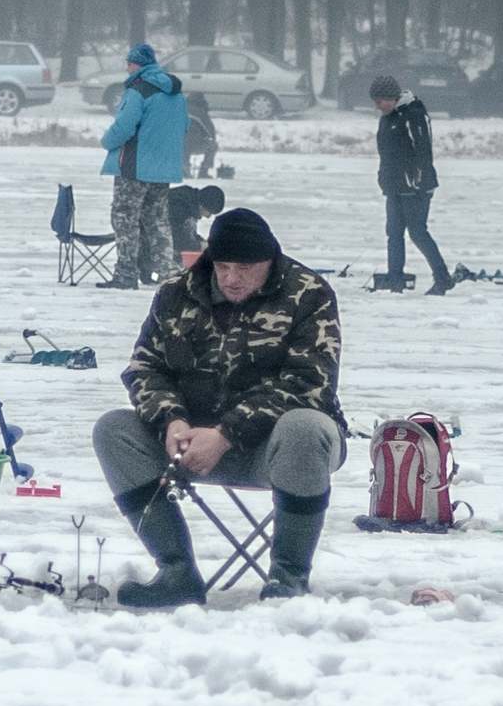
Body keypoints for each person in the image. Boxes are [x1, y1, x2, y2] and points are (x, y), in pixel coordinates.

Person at [90, 208, 344, 609]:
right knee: (112, 428)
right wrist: (171, 420)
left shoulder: (307, 293)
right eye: (223, 266)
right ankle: (176, 570)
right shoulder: (177, 292)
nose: (231, 278)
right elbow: (145, 369)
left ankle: (289, 576)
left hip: (278, 450)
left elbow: (309, 385)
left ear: (270, 262)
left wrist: (226, 434)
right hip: (190, 445)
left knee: (306, 426)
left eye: (245, 268)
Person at [98, 43, 188, 290]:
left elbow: (125, 127)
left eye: (128, 63)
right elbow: (184, 128)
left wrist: (106, 142)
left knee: (124, 218)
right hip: (163, 170)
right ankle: (168, 273)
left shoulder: (138, 90)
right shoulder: (176, 94)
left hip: (135, 167)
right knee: (157, 220)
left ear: (137, 64)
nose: (127, 68)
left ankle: (126, 273)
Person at [372, 75, 451, 295]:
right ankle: (394, 280)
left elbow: (423, 151)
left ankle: (442, 277)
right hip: (394, 186)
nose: (378, 106)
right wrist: (383, 177)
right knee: (394, 232)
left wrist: (416, 179)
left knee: (417, 231)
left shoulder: (413, 114)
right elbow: (386, 153)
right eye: (376, 102)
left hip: (416, 187)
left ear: (392, 97)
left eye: (381, 101)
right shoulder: (387, 118)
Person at [166, 183, 227, 268]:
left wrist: (203, 242)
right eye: (209, 212)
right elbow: (177, 239)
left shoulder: (190, 205)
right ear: (202, 206)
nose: (208, 216)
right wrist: (200, 245)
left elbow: (187, 234)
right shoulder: (179, 207)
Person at [183, 91, 220, 177]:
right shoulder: (201, 113)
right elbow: (211, 132)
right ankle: (204, 171)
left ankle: (184, 169)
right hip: (196, 144)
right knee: (213, 145)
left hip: (176, 144)